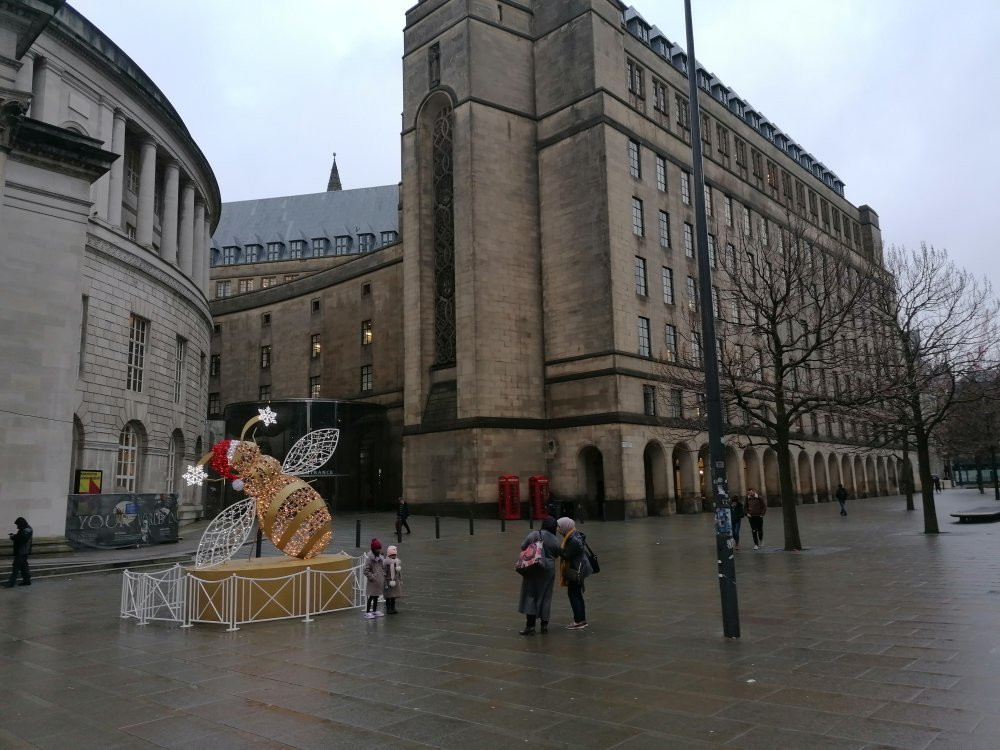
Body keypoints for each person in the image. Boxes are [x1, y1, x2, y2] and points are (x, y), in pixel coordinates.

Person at [517, 515, 560, 635]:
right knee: (546, 596)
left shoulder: (534, 535)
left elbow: (523, 546)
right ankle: (544, 626)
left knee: (530, 594)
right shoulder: (554, 539)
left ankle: (530, 626)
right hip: (548, 570)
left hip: (533, 566)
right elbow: (557, 553)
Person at [557, 516, 593, 629]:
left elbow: (567, 555)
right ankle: (582, 619)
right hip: (580, 567)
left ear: (565, 527)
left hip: (577, 570)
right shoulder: (574, 534)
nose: (558, 529)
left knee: (573, 594)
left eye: (559, 527)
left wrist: (557, 549)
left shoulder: (573, 540)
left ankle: (579, 621)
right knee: (577, 594)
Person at [4, 517, 32, 588]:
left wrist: (13, 537)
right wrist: (14, 536)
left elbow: (22, 539)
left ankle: (11, 583)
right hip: (23, 552)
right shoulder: (23, 529)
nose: (17, 527)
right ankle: (27, 581)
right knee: (24, 567)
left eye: (18, 525)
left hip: (22, 552)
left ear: (21, 523)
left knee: (15, 567)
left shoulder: (27, 530)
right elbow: (20, 537)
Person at [363, 538, 386, 618]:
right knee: (371, 596)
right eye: (377, 549)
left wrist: (383, 574)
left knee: (376, 596)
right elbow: (366, 570)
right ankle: (368, 611)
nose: (379, 550)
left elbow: (382, 567)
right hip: (373, 581)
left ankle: (374, 610)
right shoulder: (370, 558)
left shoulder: (380, 558)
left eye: (379, 549)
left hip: (379, 580)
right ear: (373, 549)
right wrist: (372, 577)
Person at [383, 545, 403, 614]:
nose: (393, 556)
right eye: (392, 555)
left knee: (394, 596)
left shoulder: (397, 562)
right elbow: (384, 573)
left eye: (394, 555)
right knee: (388, 596)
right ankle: (388, 608)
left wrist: (400, 579)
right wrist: (385, 582)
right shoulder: (386, 563)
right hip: (388, 581)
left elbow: (399, 572)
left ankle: (393, 607)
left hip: (395, 580)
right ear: (389, 555)